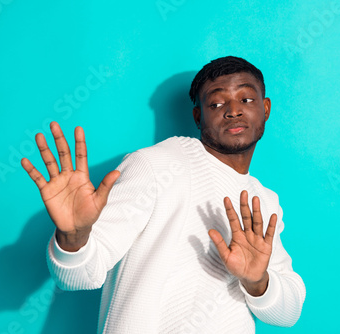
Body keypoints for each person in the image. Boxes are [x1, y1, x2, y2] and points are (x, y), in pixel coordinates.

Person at [21, 56, 306, 333]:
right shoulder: (157, 164)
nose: (233, 110)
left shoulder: (264, 200)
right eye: (217, 103)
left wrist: (259, 283)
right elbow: (81, 275)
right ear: (198, 116)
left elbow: (289, 313)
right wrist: (73, 237)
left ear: (266, 108)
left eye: (246, 99)